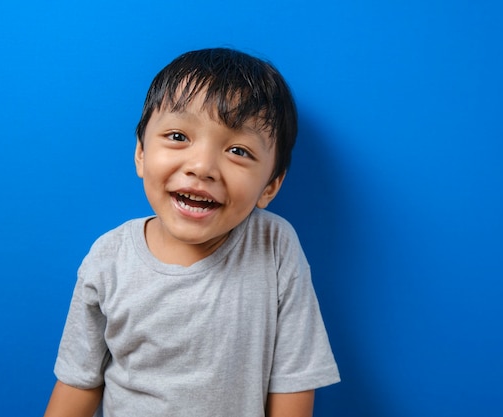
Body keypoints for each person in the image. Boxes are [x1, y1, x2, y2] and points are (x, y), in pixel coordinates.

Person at [44, 47, 340, 417]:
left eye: (237, 150)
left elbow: (294, 381)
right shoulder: (109, 258)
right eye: (178, 136)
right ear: (140, 153)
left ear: (270, 186)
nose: (202, 167)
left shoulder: (274, 246)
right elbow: (78, 380)